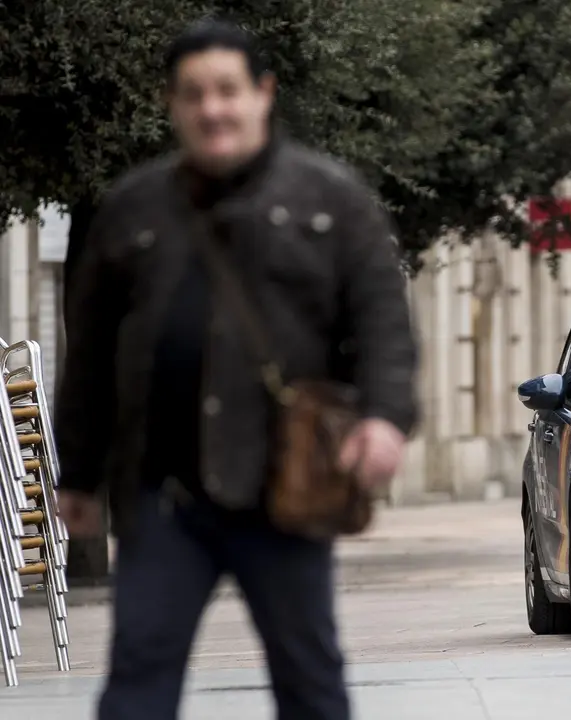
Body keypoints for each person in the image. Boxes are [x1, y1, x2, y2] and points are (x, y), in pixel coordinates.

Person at [52, 18, 418, 720]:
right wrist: (77, 472)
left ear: (263, 94)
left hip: (285, 488)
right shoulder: (132, 209)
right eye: (194, 94)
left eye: (226, 90)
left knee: (309, 682)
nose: (212, 109)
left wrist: (384, 417)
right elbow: (92, 351)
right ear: (173, 104)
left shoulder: (330, 200)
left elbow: (383, 324)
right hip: (163, 497)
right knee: (136, 683)